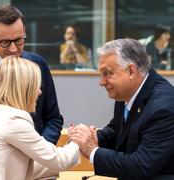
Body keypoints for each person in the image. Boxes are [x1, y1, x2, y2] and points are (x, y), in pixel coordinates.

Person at [70, 38, 174, 180]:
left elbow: (140, 167)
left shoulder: (163, 107)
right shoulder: (128, 91)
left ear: (131, 71)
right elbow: (117, 129)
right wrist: (91, 137)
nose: (102, 82)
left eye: (107, 73)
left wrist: (92, 151)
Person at [0, 56, 80, 180]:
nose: (40, 92)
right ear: (24, 88)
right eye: (36, 85)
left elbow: (29, 164)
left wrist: (69, 145)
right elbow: (58, 161)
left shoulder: (1, 115)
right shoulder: (13, 122)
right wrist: (77, 141)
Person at [0, 5, 63, 144]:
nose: (13, 49)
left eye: (19, 40)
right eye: (5, 42)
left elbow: (53, 118)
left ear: (24, 31)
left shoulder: (38, 64)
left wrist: (40, 149)